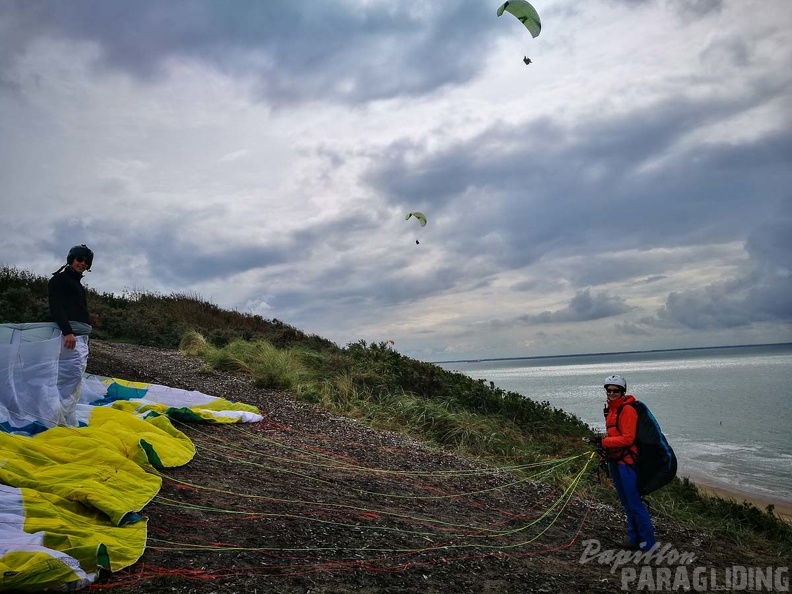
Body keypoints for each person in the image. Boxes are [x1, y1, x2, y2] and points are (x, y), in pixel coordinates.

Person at [588, 374, 656, 552]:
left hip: (627, 463)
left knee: (634, 503)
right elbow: (614, 437)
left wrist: (602, 442)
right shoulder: (611, 409)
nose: (611, 393)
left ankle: (648, 546)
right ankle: (634, 538)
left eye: (615, 391)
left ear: (622, 391)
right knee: (626, 503)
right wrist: (605, 451)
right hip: (615, 461)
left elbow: (627, 439)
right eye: (608, 390)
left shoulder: (627, 410)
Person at [48, 244, 94, 349]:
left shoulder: (78, 284)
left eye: (86, 262)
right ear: (72, 259)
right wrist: (67, 332)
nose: (82, 263)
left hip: (80, 336)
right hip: (68, 336)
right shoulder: (59, 279)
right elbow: (56, 306)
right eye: (79, 259)